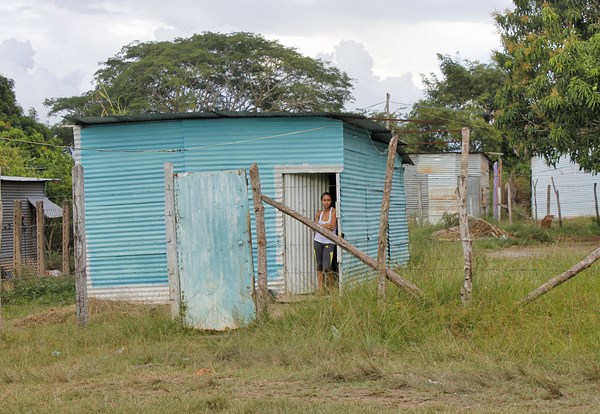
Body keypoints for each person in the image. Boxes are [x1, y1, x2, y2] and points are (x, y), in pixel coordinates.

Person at [314, 192, 337, 291]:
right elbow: (313, 227)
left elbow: (331, 227)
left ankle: (331, 288)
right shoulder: (319, 212)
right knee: (319, 265)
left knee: (327, 266)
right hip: (318, 241)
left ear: (331, 201)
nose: (326, 202)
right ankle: (321, 290)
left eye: (328, 200)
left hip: (329, 242)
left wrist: (319, 225)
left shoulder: (334, 211)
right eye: (324, 200)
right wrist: (323, 225)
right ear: (321, 201)